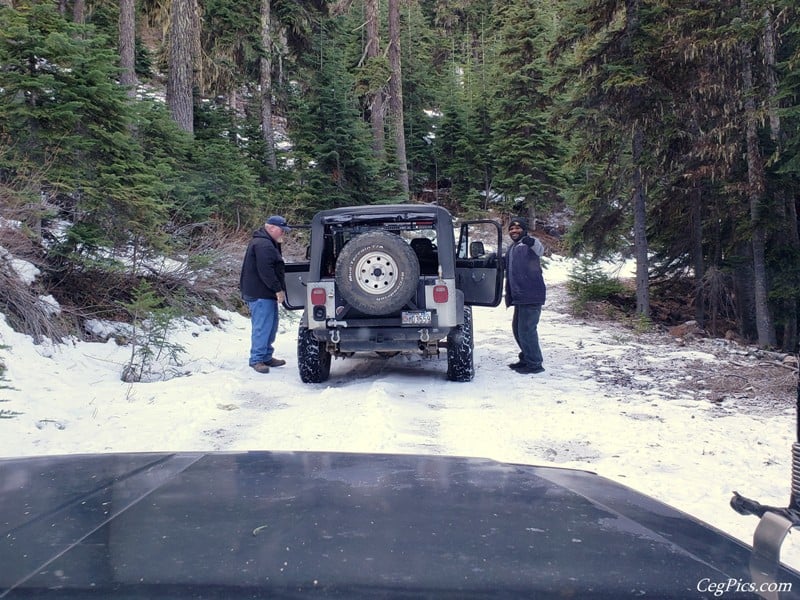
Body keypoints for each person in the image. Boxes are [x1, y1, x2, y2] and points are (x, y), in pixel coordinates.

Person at [239, 215, 291, 373]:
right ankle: (257, 359)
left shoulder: (268, 242)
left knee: (271, 325)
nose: (283, 233)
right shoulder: (263, 244)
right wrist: (277, 289)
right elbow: (266, 271)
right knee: (262, 326)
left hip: (264, 292)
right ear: (272, 228)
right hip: (260, 292)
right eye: (282, 230)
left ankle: (266, 356)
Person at [505, 216, 546, 375]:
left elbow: (541, 250)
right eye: (511, 229)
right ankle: (526, 358)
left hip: (531, 293)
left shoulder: (529, 244)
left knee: (527, 330)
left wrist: (531, 242)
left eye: (518, 228)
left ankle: (535, 364)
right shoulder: (513, 247)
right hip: (519, 296)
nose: (514, 231)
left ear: (524, 230)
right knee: (518, 329)